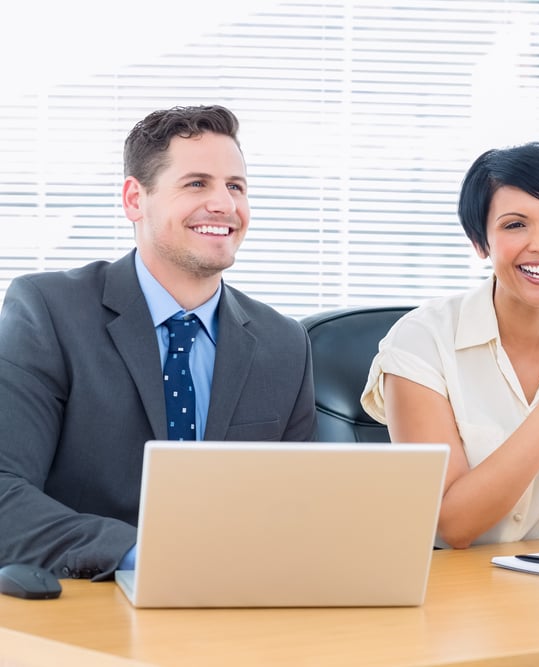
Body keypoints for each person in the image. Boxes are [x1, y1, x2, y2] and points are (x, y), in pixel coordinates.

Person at [0, 105, 317, 581]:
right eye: (196, 183)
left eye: (236, 186)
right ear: (135, 199)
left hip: (238, 603)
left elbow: (302, 508)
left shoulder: (284, 342)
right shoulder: (49, 311)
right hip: (89, 601)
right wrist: (142, 555)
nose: (224, 205)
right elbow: (5, 491)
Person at [361, 142, 539, 548]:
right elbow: (452, 526)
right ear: (480, 243)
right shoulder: (421, 341)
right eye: (515, 225)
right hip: (441, 585)